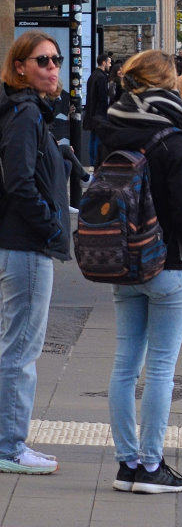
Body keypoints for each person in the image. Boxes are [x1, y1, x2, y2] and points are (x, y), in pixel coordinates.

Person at [92, 50, 182, 495]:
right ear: (167, 85)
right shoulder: (175, 140)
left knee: (125, 365)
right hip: (169, 263)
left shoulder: (113, 134)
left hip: (124, 261)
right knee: (161, 368)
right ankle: (152, 465)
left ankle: (126, 464)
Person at [0, 31, 70, 475]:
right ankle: (9, 446)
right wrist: (50, 224)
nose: (52, 68)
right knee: (21, 350)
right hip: (27, 245)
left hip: (25, 243)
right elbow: (20, 182)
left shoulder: (30, 112)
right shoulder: (25, 113)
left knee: (18, 346)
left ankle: (10, 441)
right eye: (42, 60)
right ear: (20, 66)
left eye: (56, 60)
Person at [84, 52, 114, 165]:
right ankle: (95, 163)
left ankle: (92, 163)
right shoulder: (102, 78)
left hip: (91, 113)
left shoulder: (93, 76)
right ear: (104, 62)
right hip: (99, 114)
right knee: (97, 140)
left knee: (92, 139)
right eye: (109, 63)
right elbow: (103, 98)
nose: (110, 65)